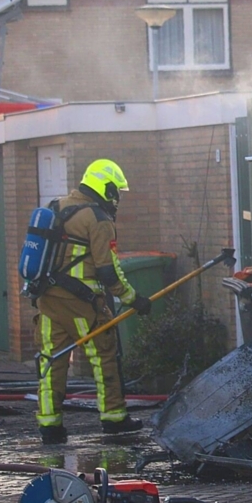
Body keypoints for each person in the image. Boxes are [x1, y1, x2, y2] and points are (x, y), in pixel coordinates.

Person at [34, 159, 152, 445]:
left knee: (52, 360)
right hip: (81, 303)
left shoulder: (57, 207)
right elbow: (108, 270)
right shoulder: (98, 219)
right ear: (105, 188)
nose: (117, 198)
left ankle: (50, 426)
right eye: (116, 191)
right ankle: (113, 418)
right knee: (103, 357)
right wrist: (134, 300)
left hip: (47, 301)